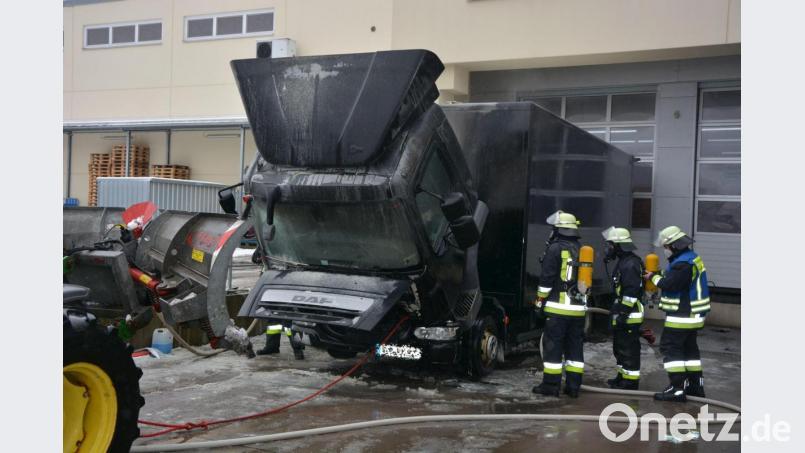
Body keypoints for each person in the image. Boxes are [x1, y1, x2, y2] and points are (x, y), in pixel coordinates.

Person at [645, 226, 710, 402]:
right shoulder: (690, 258)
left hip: (682, 315)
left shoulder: (683, 264)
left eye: (666, 246)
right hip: (692, 314)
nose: (665, 250)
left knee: (670, 349)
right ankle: (695, 387)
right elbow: (675, 280)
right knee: (689, 352)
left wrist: (653, 278)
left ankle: (677, 389)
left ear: (673, 245)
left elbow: (671, 285)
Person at [533, 210, 586, 398]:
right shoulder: (581, 249)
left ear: (559, 229)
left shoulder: (555, 249)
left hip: (558, 309)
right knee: (574, 348)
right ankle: (573, 387)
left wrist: (539, 303)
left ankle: (551, 385)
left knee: (553, 348)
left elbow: (546, 280)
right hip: (578, 311)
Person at [601, 226, 644, 390]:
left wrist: (624, 313)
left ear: (618, 245)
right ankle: (622, 376)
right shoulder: (624, 262)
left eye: (610, 245)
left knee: (629, 350)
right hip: (622, 312)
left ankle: (630, 381)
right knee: (619, 348)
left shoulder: (631, 263)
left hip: (630, 314)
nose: (608, 249)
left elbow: (631, 292)